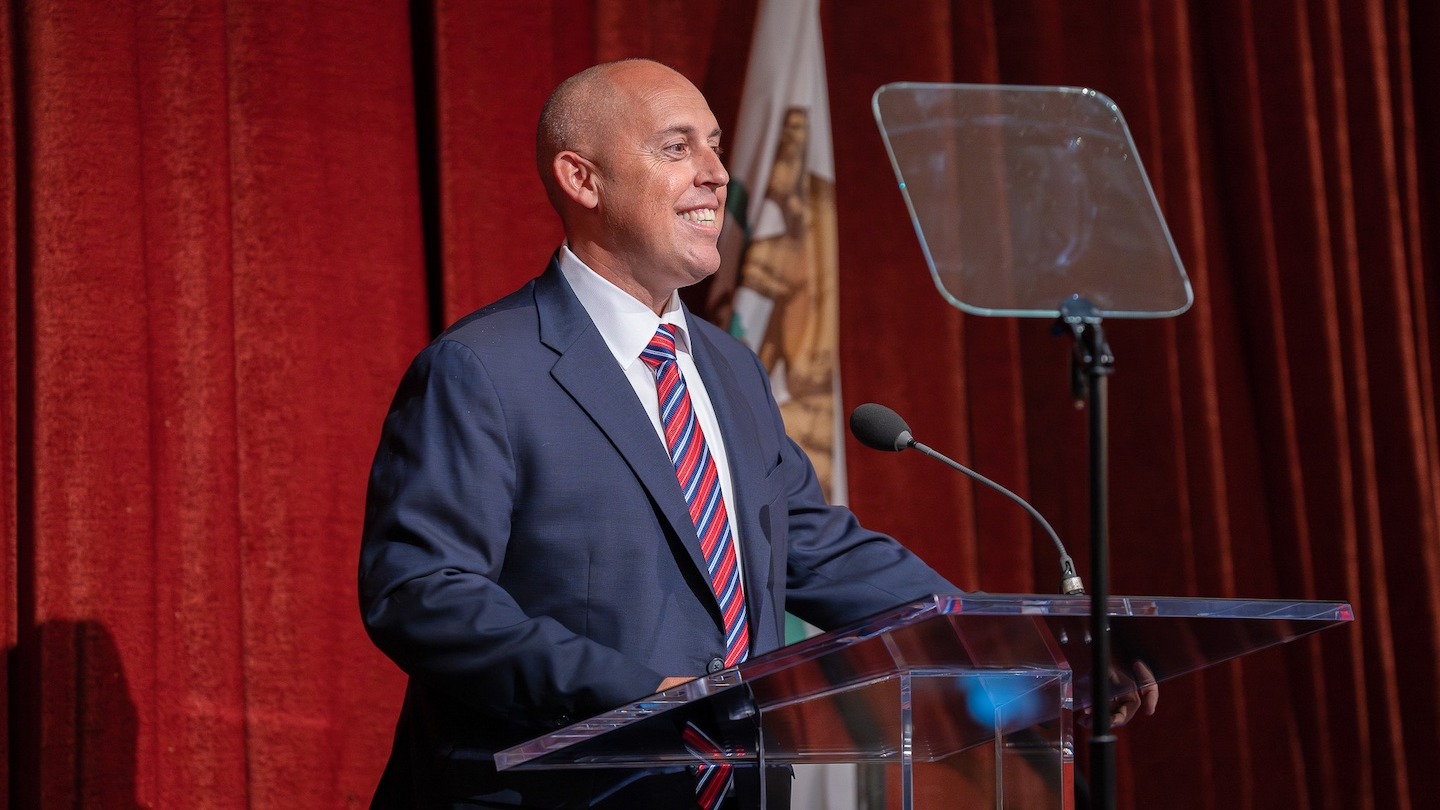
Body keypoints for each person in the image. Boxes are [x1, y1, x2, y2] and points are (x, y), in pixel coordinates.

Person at [359, 59, 1152, 810]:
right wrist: (631, 693)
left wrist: (1014, 643)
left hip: (737, 788)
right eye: (677, 147)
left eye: (715, 145)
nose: (716, 173)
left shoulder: (729, 367)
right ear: (582, 178)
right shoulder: (483, 369)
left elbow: (813, 546)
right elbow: (422, 595)